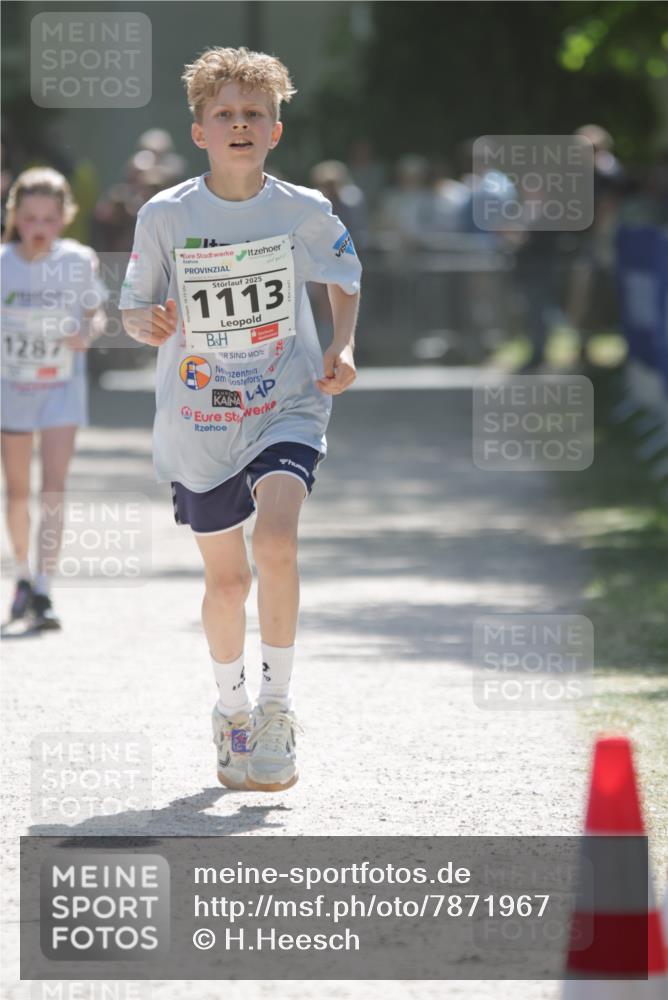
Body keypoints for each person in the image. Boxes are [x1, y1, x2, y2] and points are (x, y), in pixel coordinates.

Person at [119, 47, 361, 792]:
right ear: (199, 131)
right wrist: (148, 322)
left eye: (255, 113)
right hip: (199, 418)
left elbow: (344, 276)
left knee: (279, 540)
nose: (240, 124)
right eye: (224, 113)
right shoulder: (167, 215)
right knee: (227, 586)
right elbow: (131, 310)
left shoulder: (302, 211)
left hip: (285, 402)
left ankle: (277, 707)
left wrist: (344, 346)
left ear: (276, 130)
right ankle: (230, 712)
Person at [1, 167, 108, 628]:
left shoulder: (79, 260)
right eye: (29, 218)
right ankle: (22, 574)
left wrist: (87, 332)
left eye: (48, 217)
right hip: (12, 389)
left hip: (61, 386)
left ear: (64, 217)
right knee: (18, 489)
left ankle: (45, 587)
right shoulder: (3, 262)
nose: (38, 228)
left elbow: (95, 311)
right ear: (15, 217)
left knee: (54, 489)